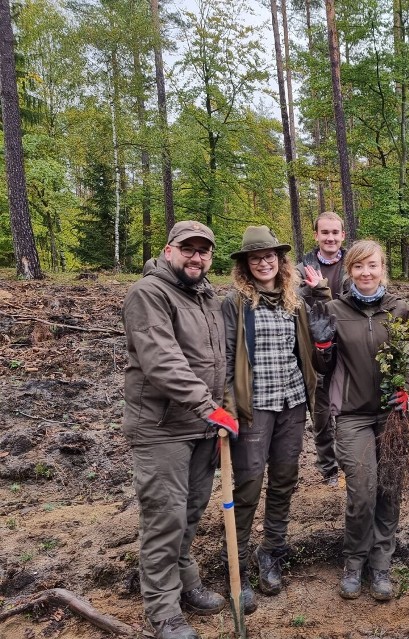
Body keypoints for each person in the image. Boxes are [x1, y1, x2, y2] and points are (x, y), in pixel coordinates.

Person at [122, 221, 240, 639]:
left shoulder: (206, 296)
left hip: (201, 427)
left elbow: (216, 359)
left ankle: (185, 580)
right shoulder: (149, 294)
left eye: (204, 251)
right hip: (161, 428)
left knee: (189, 514)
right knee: (164, 520)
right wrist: (211, 408)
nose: (196, 257)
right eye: (187, 249)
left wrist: (222, 407)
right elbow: (162, 361)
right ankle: (163, 611)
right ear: (168, 250)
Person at [221, 226, 328, 613]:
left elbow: (316, 343)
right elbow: (226, 360)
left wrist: (322, 296)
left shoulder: (293, 300)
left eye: (270, 256)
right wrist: (227, 407)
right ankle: (238, 561)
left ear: (280, 262)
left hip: (293, 403)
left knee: (284, 479)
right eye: (256, 257)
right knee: (248, 483)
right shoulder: (234, 304)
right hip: (254, 407)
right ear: (246, 266)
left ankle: (273, 552)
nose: (264, 262)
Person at [307, 240, 409, 601]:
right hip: (352, 415)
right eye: (358, 267)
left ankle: (380, 563)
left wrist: (407, 387)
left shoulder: (400, 309)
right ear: (349, 271)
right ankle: (354, 562)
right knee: (363, 491)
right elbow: (323, 368)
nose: (365, 273)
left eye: (372, 266)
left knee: (389, 488)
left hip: (391, 416)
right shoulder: (333, 309)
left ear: (383, 268)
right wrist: (321, 345)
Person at [296, 211, 348, 486]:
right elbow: (295, 303)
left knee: (351, 408)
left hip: (350, 347)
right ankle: (328, 470)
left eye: (335, 232)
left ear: (342, 235)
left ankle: (350, 462)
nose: (330, 237)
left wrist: (323, 289)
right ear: (316, 235)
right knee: (321, 411)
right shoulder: (299, 269)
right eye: (324, 232)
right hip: (316, 349)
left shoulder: (354, 264)